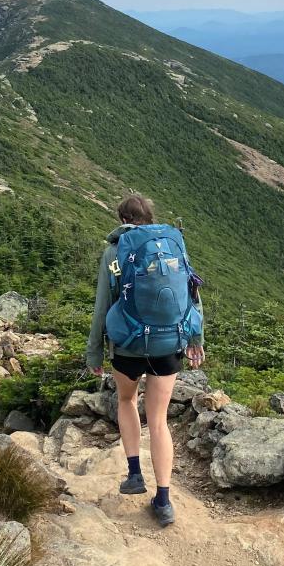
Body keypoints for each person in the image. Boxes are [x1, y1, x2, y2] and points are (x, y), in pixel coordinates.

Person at [86, 194, 204, 527]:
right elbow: (192, 294)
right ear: (150, 217)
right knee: (159, 420)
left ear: (120, 217)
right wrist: (196, 339)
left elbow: (102, 306)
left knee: (126, 401)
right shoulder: (171, 246)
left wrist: (94, 351)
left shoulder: (114, 252)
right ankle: (164, 501)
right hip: (168, 344)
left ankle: (135, 473)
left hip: (127, 345)